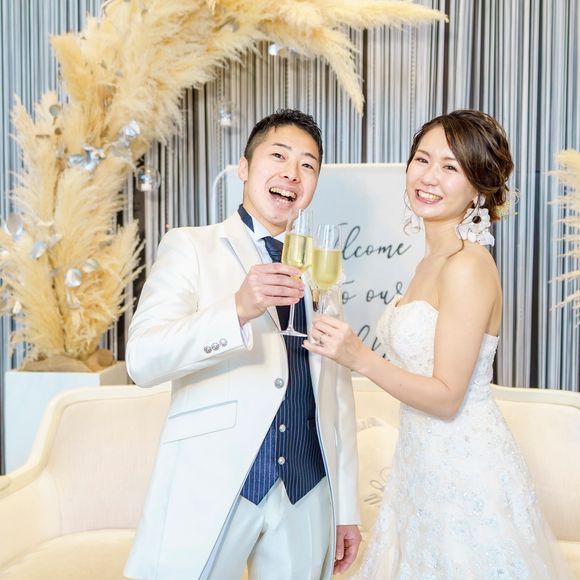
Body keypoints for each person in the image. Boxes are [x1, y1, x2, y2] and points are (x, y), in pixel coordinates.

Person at [305, 110, 572, 578]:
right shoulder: (432, 259)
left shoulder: (467, 266)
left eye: (450, 167)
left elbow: (448, 397)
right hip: (420, 464)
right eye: (422, 159)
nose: (428, 177)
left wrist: (359, 358)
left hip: (463, 470)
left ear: (478, 187)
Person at [123, 109, 361, 580]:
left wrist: (346, 507)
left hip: (306, 490)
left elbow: (337, 391)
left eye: (308, 165)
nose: (292, 173)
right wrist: (236, 309)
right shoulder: (191, 247)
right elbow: (143, 360)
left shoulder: (322, 268)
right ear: (245, 168)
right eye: (279, 156)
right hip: (215, 483)